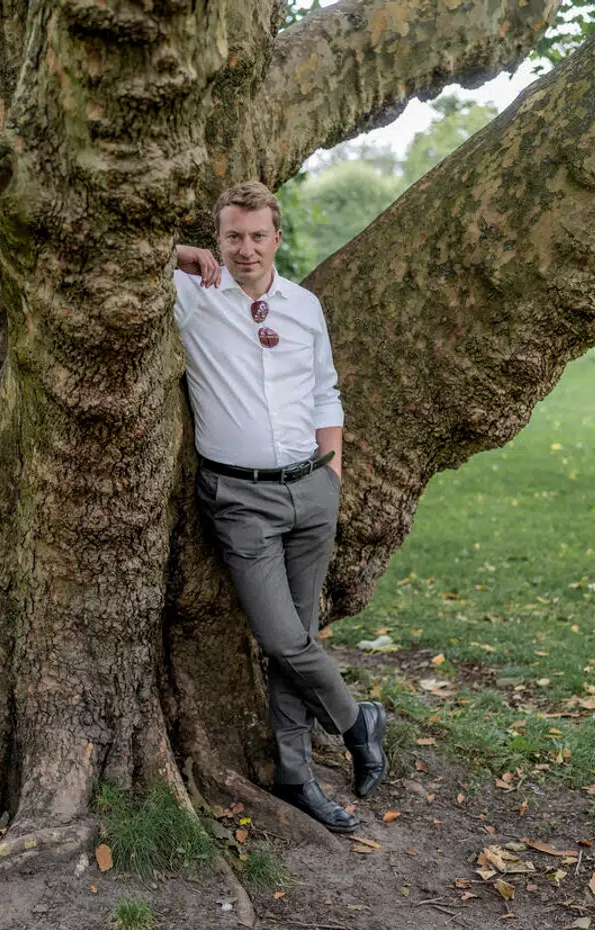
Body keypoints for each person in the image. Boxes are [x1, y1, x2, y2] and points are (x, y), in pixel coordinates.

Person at [172, 182, 387, 834]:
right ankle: (358, 720)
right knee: (281, 637)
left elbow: (327, 392)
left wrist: (332, 478)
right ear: (218, 240)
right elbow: (106, 253)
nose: (245, 248)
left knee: (296, 639)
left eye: (257, 235)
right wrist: (179, 253)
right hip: (240, 499)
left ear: (276, 238)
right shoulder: (194, 297)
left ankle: (295, 775)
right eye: (232, 236)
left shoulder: (304, 306)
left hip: (312, 491)